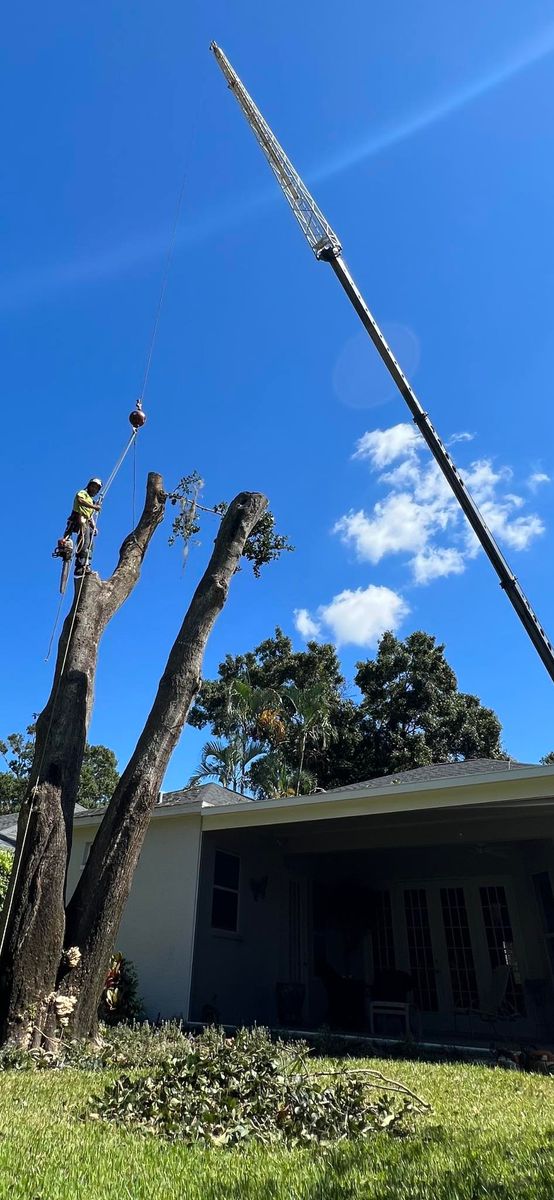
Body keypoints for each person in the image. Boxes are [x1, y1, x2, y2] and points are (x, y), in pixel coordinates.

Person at [62, 478, 102, 577]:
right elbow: (80, 500)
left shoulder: (92, 502)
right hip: (77, 518)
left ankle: (85, 563)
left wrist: (94, 527)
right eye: (93, 486)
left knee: (89, 543)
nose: (94, 489)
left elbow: (90, 516)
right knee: (85, 541)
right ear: (89, 486)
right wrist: (94, 507)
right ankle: (80, 566)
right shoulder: (83, 493)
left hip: (85, 521)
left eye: (96, 488)